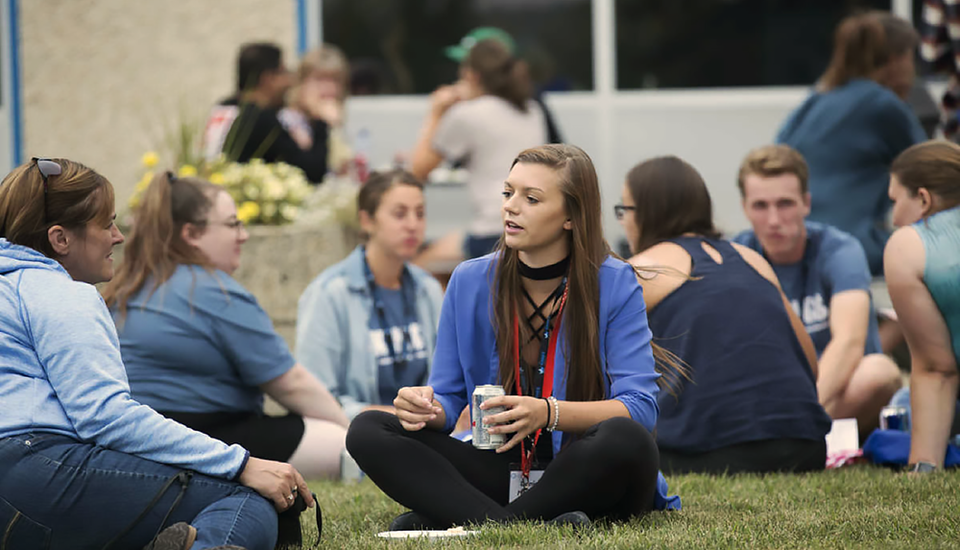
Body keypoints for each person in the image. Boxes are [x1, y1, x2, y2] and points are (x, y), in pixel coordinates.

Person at [346, 144, 681, 532]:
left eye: (531, 198)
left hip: (587, 467)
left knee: (626, 438)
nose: (511, 206)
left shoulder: (614, 282)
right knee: (369, 428)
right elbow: (449, 398)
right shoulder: (470, 280)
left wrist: (547, 412)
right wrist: (425, 407)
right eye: (508, 193)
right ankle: (523, 523)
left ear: (571, 216)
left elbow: (640, 407)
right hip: (501, 466)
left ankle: (461, 518)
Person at [0, 158, 312, 550]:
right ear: (60, 239)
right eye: (106, 224)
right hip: (35, 472)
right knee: (244, 498)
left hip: (28, 490)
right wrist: (241, 465)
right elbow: (105, 416)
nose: (118, 236)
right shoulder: (59, 291)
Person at [102, 171, 349, 480]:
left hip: (136, 440)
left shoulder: (127, 286)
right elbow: (291, 384)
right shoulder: (209, 290)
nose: (243, 235)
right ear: (191, 234)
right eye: (233, 224)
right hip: (205, 436)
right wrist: (351, 431)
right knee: (341, 443)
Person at [618, 155, 832, 475]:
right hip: (805, 449)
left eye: (624, 210)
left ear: (645, 213)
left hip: (703, 454)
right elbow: (809, 364)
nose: (623, 221)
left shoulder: (639, 272)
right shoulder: (752, 260)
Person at [733, 145, 902, 437]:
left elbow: (849, 341)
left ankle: (788, 434)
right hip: (770, 394)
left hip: (836, 388)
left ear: (806, 203)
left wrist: (803, 412)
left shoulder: (839, 249)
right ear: (745, 208)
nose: (773, 220)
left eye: (785, 204)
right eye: (760, 206)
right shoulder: (736, 254)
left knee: (879, 372)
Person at [776, 11, 926, 276]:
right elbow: (934, 172)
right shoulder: (883, 105)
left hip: (793, 248)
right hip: (854, 249)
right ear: (896, 59)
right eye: (912, 57)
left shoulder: (816, 99)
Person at [297, 169, 443, 421]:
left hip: (425, 429)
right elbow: (316, 400)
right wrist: (392, 416)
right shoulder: (329, 293)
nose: (413, 224)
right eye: (399, 214)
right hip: (360, 433)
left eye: (420, 214)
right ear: (367, 221)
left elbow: (447, 379)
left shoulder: (428, 288)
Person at [410, 38, 548, 263]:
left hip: (493, 231)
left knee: (421, 268)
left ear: (472, 77)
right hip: (534, 227)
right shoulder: (532, 109)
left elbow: (417, 171)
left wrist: (436, 111)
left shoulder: (468, 114)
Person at [884, 141, 960, 471]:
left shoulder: (908, 246)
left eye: (895, 201)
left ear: (924, 199)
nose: (894, 217)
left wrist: (924, 467)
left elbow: (936, 368)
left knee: (901, 405)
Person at [202, 42, 333, 183]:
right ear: (268, 79)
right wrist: (320, 121)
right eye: (284, 72)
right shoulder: (259, 118)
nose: (289, 81)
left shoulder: (224, 107)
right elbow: (311, 173)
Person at [278, 45, 355, 176]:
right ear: (301, 83)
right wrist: (322, 123)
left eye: (336, 80)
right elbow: (312, 170)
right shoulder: (287, 121)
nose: (329, 88)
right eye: (320, 79)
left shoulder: (334, 121)